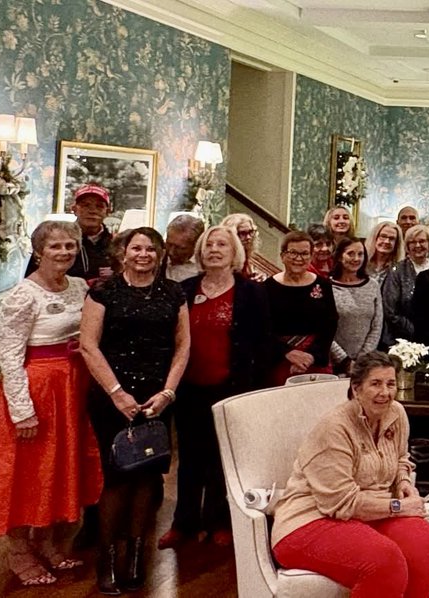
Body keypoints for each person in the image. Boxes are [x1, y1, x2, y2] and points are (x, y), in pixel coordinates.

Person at [0, 221, 103, 587]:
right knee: (28, 473)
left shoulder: (80, 287)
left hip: (73, 387)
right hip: (37, 391)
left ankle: (48, 542)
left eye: (70, 245)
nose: (64, 252)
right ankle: (19, 550)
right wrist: (22, 412)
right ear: (38, 252)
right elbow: (10, 355)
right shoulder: (23, 295)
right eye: (55, 246)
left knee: (60, 469)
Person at [271, 353, 429, 598]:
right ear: (356, 388)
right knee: (384, 562)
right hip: (311, 519)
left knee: (427, 543)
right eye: (375, 384)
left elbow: (401, 458)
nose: (385, 392)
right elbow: (340, 503)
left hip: (368, 514)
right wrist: (398, 506)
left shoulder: (396, 413)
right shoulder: (335, 428)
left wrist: (404, 481)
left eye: (391, 384)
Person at [79, 227, 189, 595]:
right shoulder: (103, 291)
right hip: (112, 396)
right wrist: (117, 393)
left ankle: (138, 554)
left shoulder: (174, 293)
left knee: (147, 476)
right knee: (117, 478)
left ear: (160, 255)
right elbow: (88, 345)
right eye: (136, 248)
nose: (143, 254)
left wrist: (168, 392)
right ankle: (107, 559)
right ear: (123, 253)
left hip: (157, 397)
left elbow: (183, 346)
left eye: (150, 249)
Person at [162, 225, 270, 551]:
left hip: (232, 386)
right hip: (189, 385)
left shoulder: (251, 292)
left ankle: (218, 521)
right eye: (208, 245)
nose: (214, 250)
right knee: (190, 457)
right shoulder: (184, 289)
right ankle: (183, 523)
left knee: (222, 458)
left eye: (222, 244)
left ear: (234, 252)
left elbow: (262, 341)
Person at [264, 231, 339, 386]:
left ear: (311, 256)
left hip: (315, 360)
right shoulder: (267, 287)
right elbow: (261, 328)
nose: (299, 258)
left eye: (304, 253)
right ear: (282, 256)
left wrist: (310, 356)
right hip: (280, 360)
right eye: (293, 253)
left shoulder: (323, 285)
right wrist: (288, 353)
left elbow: (330, 323)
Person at [25, 184, 114, 283]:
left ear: (107, 211)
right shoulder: (54, 239)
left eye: (99, 206)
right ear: (74, 209)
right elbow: (33, 280)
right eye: (85, 205)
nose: (92, 211)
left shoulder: (117, 244)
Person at [330, 237, 384, 372]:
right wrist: (344, 361)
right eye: (350, 254)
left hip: (365, 363)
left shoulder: (372, 285)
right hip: (333, 362)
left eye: (360, 254)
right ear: (339, 256)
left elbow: (377, 325)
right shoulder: (327, 287)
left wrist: (362, 359)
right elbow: (324, 329)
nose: (356, 258)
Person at [380, 224, 429, 347]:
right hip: (403, 341)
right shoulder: (397, 271)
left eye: (422, 241)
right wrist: (416, 331)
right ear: (407, 246)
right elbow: (390, 311)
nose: (417, 245)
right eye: (412, 242)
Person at [220, 213, 279, 282]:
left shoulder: (246, 254)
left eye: (251, 232)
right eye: (243, 233)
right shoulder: (223, 257)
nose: (248, 237)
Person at [162, 214, 204, 282]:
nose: (171, 252)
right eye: (169, 244)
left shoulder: (205, 264)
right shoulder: (158, 256)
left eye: (179, 248)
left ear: (196, 244)